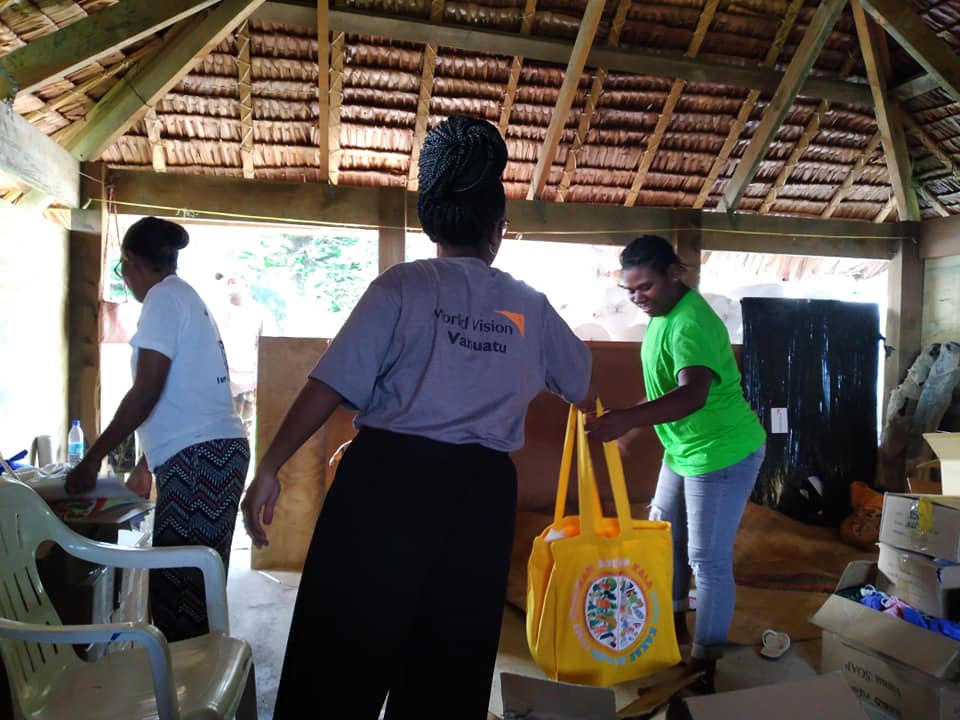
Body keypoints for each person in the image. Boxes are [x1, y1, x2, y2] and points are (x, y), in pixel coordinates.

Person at [241, 116, 593, 720]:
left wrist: (270, 465)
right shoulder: (529, 306)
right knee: (449, 660)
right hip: (481, 495)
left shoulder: (403, 286)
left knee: (342, 649)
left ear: (433, 221)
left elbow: (330, 383)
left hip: (387, 484)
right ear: (498, 231)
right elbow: (581, 381)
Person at [585, 234, 766, 691]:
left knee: (706, 557)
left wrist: (628, 419)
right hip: (685, 449)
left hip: (721, 452)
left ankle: (706, 662)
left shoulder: (690, 323)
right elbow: (669, 392)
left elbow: (692, 394)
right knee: (664, 539)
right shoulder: (663, 315)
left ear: (673, 274)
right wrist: (628, 421)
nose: (637, 297)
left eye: (644, 286)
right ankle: (670, 629)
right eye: (629, 290)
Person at [65, 217, 249, 642]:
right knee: (195, 582)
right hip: (212, 454)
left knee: (179, 592)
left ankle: (188, 694)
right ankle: (197, 686)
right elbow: (184, 391)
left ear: (130, 263)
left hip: (201, 459)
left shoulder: (164, 300)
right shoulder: (183, 297)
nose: (124, 278)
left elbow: (146, 390)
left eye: (122, 269)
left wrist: (93, 459)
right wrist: (147, 461)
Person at [216, 271, 272, 439]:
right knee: (219, 437)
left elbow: (269, 352)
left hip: (249, 386)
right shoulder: (214, 312)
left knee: (242, 438)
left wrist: (260, 384)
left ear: (246, 283)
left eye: (235, 279)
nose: (230, 282)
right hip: (220, 386)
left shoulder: (259, 313)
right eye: (227, 280)